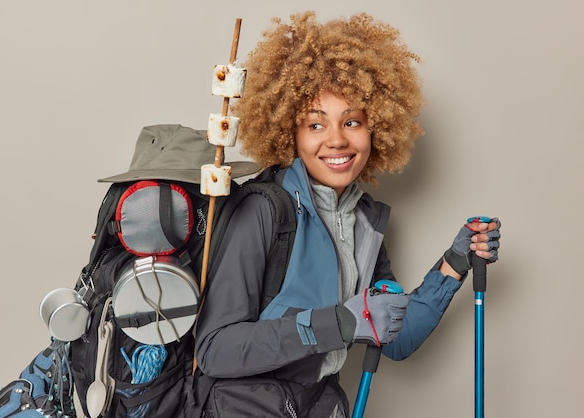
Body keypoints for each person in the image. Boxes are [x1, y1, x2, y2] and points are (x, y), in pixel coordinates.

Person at [193, 11, 501, 418]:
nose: (337, 139)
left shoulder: (363, 221)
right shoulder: (264, 210)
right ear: (291, 133)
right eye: (316, 125)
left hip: (318, 405)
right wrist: (337, 323)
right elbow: (216, 350)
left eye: (352, 121)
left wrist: (454, 264)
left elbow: (396, 337)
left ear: (376, 128)